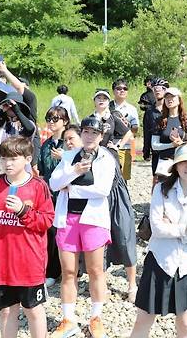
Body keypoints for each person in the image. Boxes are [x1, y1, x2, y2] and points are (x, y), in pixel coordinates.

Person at [129, 144, 187, 338]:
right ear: (175, 166)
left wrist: (174, 227)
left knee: (186, 324)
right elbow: (158, 229)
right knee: (143, 319)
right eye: (183, 162)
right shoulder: (161, 189)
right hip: (160, 259)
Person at [0, 136, 54, 338]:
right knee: (6, 311)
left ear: (28, 159)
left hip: (30, 262)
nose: (7, 163)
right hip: (2, 263)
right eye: (4, 158)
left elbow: (46, 222)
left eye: (13, 158)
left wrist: (23, 211)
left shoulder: (38, 186)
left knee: (33, 310)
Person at [49, 116, 116, 338]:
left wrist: (71, 189)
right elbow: (54, 183)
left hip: (93, 220)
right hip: (67, 218)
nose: (89, 136)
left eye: (94, 133)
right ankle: (68, 319)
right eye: (86, 132)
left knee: (96, 270)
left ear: (101, 136)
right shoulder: (69, 156)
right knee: (69, 271)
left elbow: (102, 189)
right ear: (81, 134)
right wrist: (74, 172)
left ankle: (96, 317)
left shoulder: (107, 158)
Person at [38, 107, 70, 287]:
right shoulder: (46, 145)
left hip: (69, 194)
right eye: (49, 118)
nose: (51, 122)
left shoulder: (70, 141)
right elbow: (42, 172)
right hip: (51, 195)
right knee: (51, 233)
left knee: (67, 232)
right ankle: (52, 270)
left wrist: (65, 156)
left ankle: (72, 269)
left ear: (64, 121)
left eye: (56, 119)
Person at [0, 92, 37, 168]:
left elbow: (30, 129)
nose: (11, 108)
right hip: (1, 161)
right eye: (8, 106)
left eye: (14, 106)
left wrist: (17, 111)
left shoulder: (26, 123)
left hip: (19, 162)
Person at [150, 87, 187, 173]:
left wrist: (182, 144)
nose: (169, 100)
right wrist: (172, 145)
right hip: (165, 161)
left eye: (172, 97)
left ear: (179, 100)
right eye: (167, 97)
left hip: (182, 160)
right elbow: (154, 145)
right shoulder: (159, 121)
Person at [111, 78, 140, 181]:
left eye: (125, 88)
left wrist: (126, 125)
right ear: (113, 91)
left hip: (126, 146)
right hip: (109, 144)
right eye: (119, 88)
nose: (122, 90)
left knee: (123, 177)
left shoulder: (132, 109)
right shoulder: (107, 106)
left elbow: (135, 130)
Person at [91, 89, 130, 155]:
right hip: (93, 153)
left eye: (105, 98)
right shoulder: (89, 119)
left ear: (109, 102)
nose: (101, 100)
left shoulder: (113, 118)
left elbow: (128, 133)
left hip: (109, 153)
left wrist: (118, 146)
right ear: (94, 101)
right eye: (99, 98)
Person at [143, 78, 168, 177]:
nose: (157, 91)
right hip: (156, 149)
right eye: (155, 89)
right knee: (157, 178)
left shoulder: (172, 108)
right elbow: (146, 131)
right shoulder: (149, 111)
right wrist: (146, 150)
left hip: (170, 148)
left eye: (161, 88)